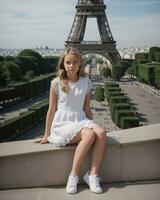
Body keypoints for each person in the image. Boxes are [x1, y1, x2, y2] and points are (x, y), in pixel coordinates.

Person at [35, 47, 106, 194]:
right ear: (63, 64)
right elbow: (51, 110)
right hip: (63, 123)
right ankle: (73, 175)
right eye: (68, 62)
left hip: (80, 120)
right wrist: (46, 135)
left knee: (101, 132)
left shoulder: (86, 81)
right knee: (89, 135)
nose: (71, 65)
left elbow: (87, 108)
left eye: (75, 62)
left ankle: (92, 175)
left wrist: (93, 124)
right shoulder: (56, 83)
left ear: (80, 64)